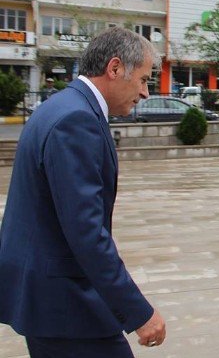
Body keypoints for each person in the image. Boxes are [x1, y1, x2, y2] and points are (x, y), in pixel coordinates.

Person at [0, 27, 166, 357]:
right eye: (145, 79)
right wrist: (138, 312)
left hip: (46, 296)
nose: (146, 92)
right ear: (115, 68)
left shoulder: (61, 105)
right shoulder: (77, 120)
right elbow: (86, 231)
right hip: (64, 302)